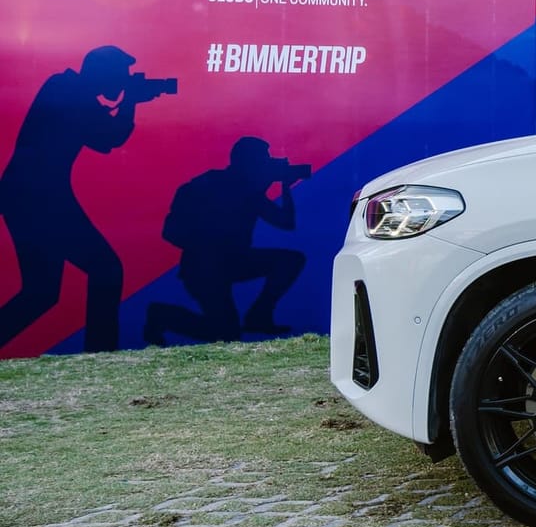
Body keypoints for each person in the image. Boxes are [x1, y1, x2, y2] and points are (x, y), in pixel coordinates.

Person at [0, 46, 174, 353]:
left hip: (34, 195)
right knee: (105, 270)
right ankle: (101, 354)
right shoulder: (69, 91)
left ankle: (99, 352)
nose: (124, 80)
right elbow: (110, 138)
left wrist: (128, 99)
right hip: (40, 198)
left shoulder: (68, 89)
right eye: (121, 75)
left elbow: (102, 133)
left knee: (41, 292)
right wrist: (130, 102)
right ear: (102, 74)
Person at [144, 137, 309, 346]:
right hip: (203, 268)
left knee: (290, 261)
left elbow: (285, 222)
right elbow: (170, 232)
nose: (267, 166)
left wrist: (284, 186)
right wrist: (207, 248)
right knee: (226, 334)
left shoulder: (249, 191)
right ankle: (162, 315)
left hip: (233, 261)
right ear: (246, 162)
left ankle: (259, 314)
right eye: (262, 161)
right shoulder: (207, 185)